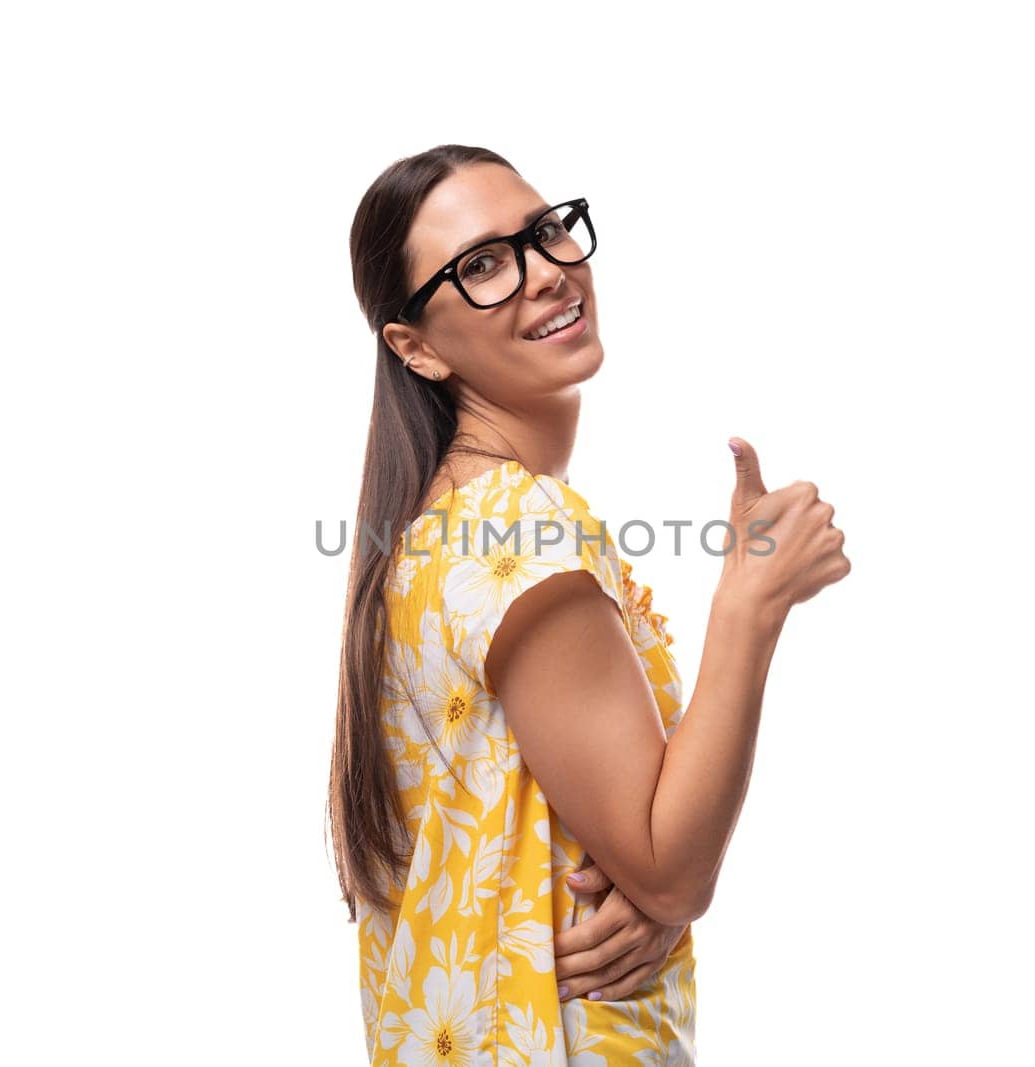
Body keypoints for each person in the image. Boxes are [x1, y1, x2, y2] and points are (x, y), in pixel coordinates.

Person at [327, 143, 851, 1065]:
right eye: (482, 266)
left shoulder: (435, 532)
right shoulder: (512, 523)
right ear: (414, 347)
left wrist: (645, 892)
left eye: (545, 231)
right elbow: (669, 862)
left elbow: (592, 841)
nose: (543, 273)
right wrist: (750, 600)